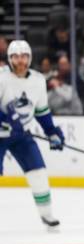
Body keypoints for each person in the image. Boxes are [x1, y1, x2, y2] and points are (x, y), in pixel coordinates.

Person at [0, 40, 65, 230]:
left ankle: (47, 216)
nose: (20, 60)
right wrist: (5, 118)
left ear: (29, 58)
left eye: (24, 56)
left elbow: (41, 111)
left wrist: (52, 132)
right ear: (10, 58)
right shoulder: (2, 78)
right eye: (16, 56)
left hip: (22, 135)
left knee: (38, 172)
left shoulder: (38, 80)